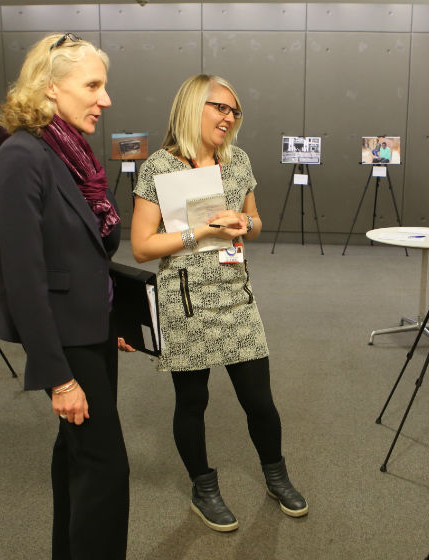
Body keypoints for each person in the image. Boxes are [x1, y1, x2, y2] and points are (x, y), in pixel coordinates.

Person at [131, 74, 307, 533]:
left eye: (234, 111)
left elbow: (256, 220)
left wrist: (243, 222)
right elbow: (142, 247)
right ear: (193, 107)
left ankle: (275, 474)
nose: (229, 118)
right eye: (220, 108)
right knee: (192, 401)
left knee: (260, 401)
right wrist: (200, 232)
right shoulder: (158, 167)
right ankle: (202, 486)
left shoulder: (237, 161)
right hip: (185, 301)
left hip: (235, 296)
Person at [0, 33, 129, 559]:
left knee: (77, 458)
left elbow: (86, 253)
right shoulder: (21, 158)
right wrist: (60, 377)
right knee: (105, 468)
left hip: (90, 332)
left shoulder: (73, 155)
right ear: (49, 89)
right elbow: (24, 281)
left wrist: (113, 321)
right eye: (92, 85)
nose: (105, 99)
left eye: (104, 85)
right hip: (65, 348)